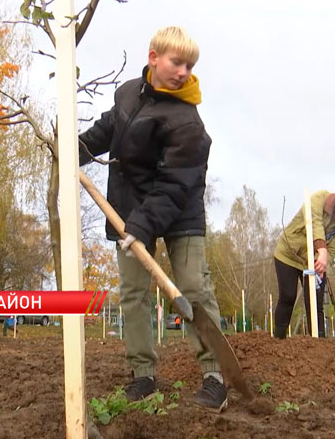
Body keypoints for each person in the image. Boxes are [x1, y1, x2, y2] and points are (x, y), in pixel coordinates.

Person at [78, 27, 226, 411]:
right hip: (129, 204)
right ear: (154, 57)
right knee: (133, 292)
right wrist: (75, 147)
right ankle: (142, 375)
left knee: (193, 287)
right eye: (178, 62)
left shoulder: (187, 122)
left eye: (190, 65)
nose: (184, 72)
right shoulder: (129, 91)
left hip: (178, 207)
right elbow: (110, 126)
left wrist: (141, 227)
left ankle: (215, 376)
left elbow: (175, 185)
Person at [273, 187, 335, 338]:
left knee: (315, 301)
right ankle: (278, 340)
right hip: (288, 253)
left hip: (313, 260)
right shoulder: (320, 198)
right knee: (288, 296)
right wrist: (322, 250)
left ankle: (318, 344)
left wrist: (322, 263)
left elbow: (333, 248)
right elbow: (314, 224)